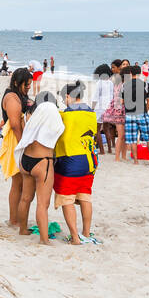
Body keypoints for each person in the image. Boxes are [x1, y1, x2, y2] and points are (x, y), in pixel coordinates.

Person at [15, 90, 63, 244]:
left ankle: (22, 229)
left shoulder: (30, 116)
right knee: (43, 204)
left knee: (25, 198)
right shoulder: (53, 114)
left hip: (26, 160)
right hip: (43, 162)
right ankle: (44, 240)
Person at [54, 82, 99, 244]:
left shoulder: (65, 115)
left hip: (70, 161)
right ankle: (86, 233)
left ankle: (75, 238)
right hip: (89, 162)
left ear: (68, 96)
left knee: (67, 199)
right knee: (85, 197)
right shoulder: (92, 114)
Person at [0, 69, 35, 228]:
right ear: (16, 82)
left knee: (21, 182)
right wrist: (23, 146)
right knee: (17, 181)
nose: (28, 87)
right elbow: (15, 125)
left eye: (30, 84)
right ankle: (14, 220)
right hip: (15, 141)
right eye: (26, 84)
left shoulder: (19, 95)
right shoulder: (11, 98)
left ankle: (17, 218)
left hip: (20, 140)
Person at [120, 64, 149, 164]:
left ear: (131, 73)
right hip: (142, 112)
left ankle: (135, 160)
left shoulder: (124, 85)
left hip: (130, 114)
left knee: (133, 139)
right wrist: (145, 111)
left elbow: (121, 102)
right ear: (140, 73)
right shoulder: (146, 85)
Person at [104, 60, 127, 158]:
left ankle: (123, 155)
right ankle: (118, 155)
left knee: (123, 134)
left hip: (124, 108)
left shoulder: (125, 80)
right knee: (121, 133)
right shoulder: (115, 80)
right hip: (118, 108)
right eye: (123, 65)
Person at [90, 63, 114, 154]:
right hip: (108, 108)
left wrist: (92, 108)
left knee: (97, 130)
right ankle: (110, 149)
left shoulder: (99, 82)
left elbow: (95, 97)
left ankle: (102, 151)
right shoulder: (111, 83)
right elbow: (112, 96)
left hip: (99, 108)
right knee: (107, 128)